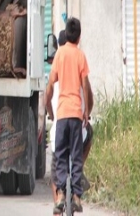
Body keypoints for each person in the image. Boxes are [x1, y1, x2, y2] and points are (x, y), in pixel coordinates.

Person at [45, 18, 91, 214]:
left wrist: (49, 109)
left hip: (62, 114)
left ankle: (61, 195)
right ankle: (77, 197)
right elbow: (86, 86)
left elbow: (50, 85)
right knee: (77, 158)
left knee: (61, 156)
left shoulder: (60, 54)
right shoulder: (80, 56)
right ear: (79, 37)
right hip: (76, 115)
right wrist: (86, 110)